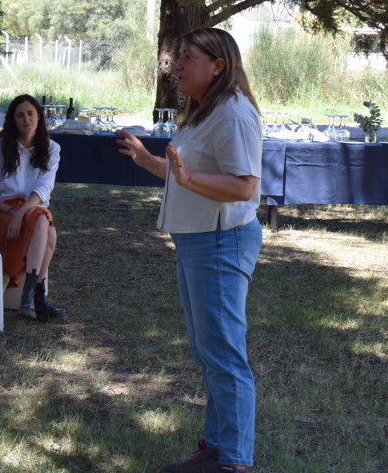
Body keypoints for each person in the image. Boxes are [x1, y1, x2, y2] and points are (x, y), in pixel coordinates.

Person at [117, 28, 262, 473]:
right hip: (198, 242)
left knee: (223, 353)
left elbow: (244, 186)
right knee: (208, 351)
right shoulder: (204, 112)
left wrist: (185, 177)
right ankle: (217, 449)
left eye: (187, 57)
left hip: (220, 242)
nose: (175, 64)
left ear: (217, 65)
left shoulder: (234, 114)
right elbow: (187, 173)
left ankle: (234, 462)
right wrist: (147, 160)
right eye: (177, 56)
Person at [0, 94, 67, 322]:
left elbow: (43, 188)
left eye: (30, 114)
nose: (26, 119)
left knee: (44, 222)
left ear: (39, 117)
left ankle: (31, 297)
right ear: (13, 120)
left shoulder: (52, 148)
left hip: (30, 209)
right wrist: (13, 213)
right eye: (20, 115)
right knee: (46, 226)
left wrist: (21, 213)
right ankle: (34, 298)